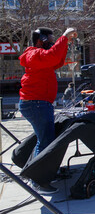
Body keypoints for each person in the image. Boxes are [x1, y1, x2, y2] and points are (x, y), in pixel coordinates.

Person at [19, 27, 77, 195]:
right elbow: (52, 56)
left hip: (39, 104)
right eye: (50, 41)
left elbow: (56, 60)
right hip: (36, 104)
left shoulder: (39, 57)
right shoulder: (33, 54)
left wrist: (65, 43)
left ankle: (39, 174)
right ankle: (38, 180)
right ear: (41, 40)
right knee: (45, 141)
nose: (52, 44)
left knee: (43, 140)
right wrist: (64, 38)